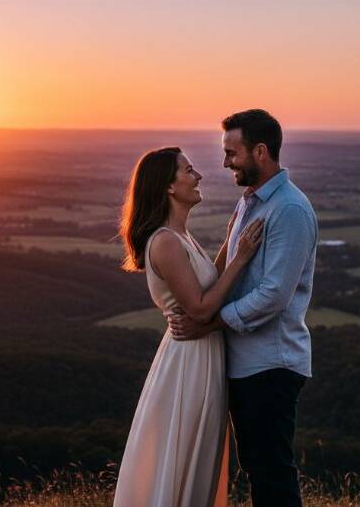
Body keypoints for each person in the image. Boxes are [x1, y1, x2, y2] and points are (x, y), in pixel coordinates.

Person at [167, 109, 318, 507]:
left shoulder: (288, 210)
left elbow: (273, 296)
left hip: (271, 363)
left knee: (271, 472)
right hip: (247, 363)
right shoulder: (250, 203)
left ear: (261, 152)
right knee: (259, 469)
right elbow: (227, 265)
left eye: (232, 153)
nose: (225, 163)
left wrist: (210, 324)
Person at [113, 146, 264, 507]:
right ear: (168, 186)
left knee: (199, 454)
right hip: (188, 362)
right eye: (189, 170)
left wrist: (229, 241)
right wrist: (239, 260)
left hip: (203, 356)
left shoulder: (180, 237)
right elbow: (198, 309)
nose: (198, 177)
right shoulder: (164, 241)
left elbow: (205, 289)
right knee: (183, 454)